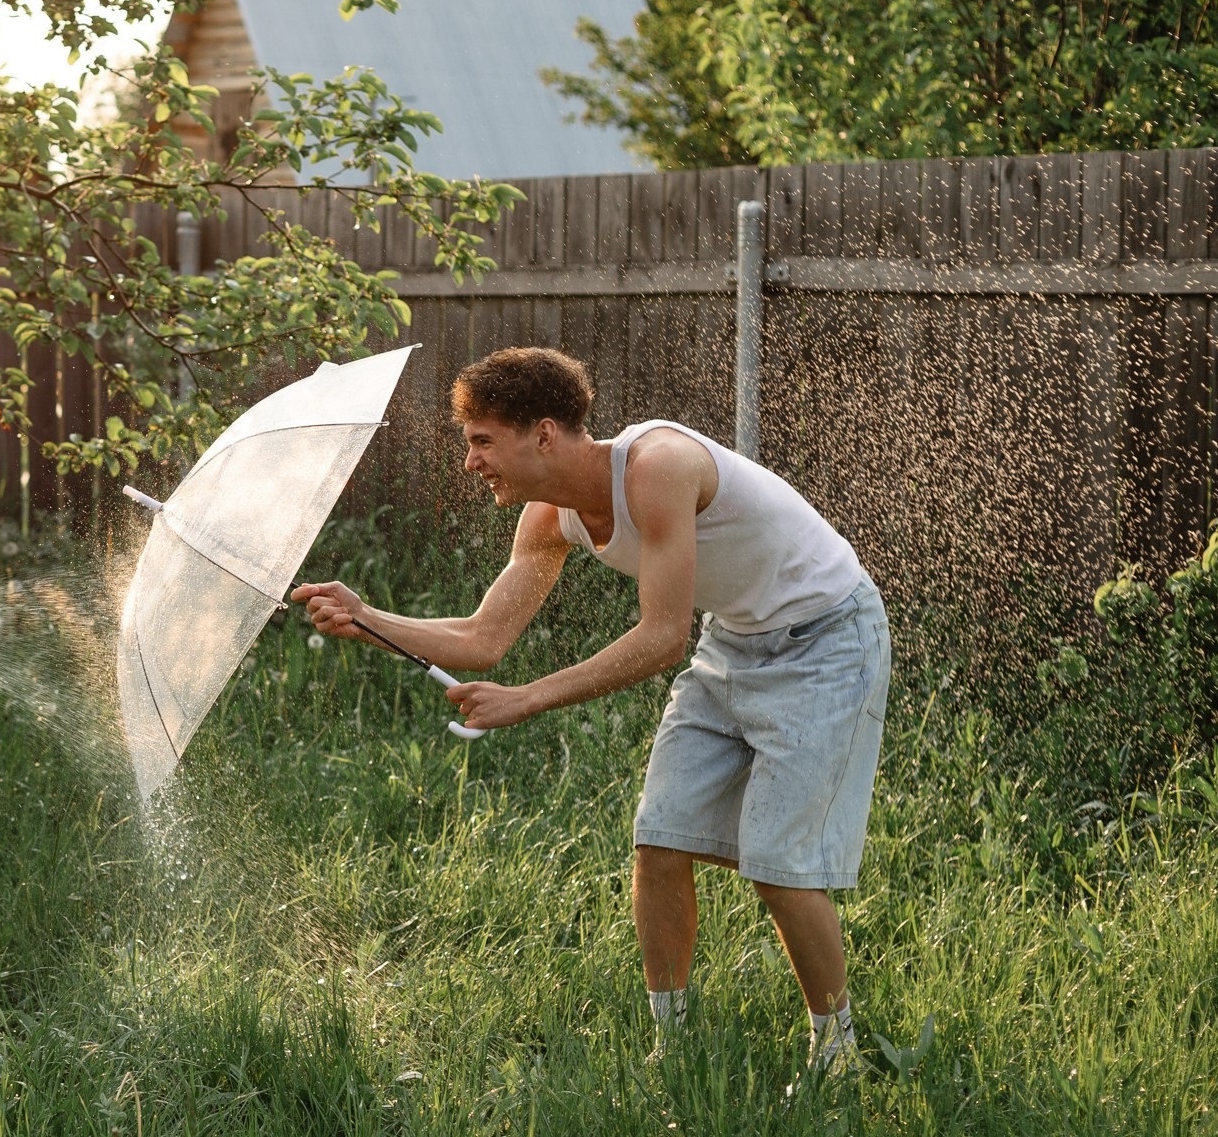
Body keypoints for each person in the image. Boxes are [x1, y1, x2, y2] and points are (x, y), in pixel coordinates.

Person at [292, 347, 888, 1073]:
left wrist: (529, 699)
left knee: (780, 865)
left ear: (544, 433)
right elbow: (484, 639)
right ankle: (673, 1048)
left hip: (825, 639)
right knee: (660, 841)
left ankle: (838, 1052)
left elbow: (663, 638)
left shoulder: (657, 466)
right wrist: (367, 618)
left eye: (483, 441)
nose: (471, 463)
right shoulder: (549, 515)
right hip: (734, 641)